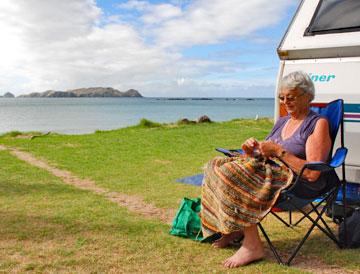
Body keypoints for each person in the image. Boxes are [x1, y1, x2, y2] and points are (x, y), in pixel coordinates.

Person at [201, 71, 336, 268]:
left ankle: (253, 246)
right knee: (215, 166)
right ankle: (232, 229)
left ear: (307, 97)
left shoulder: (316, 124)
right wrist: (252, 150)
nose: (285, 102)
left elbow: (312, 173)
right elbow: (266, 153)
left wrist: (279, 152)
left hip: (296, 183)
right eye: (281, 98)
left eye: (291, 98)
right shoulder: (282, 121)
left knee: (236, 176)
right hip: (268, 171)